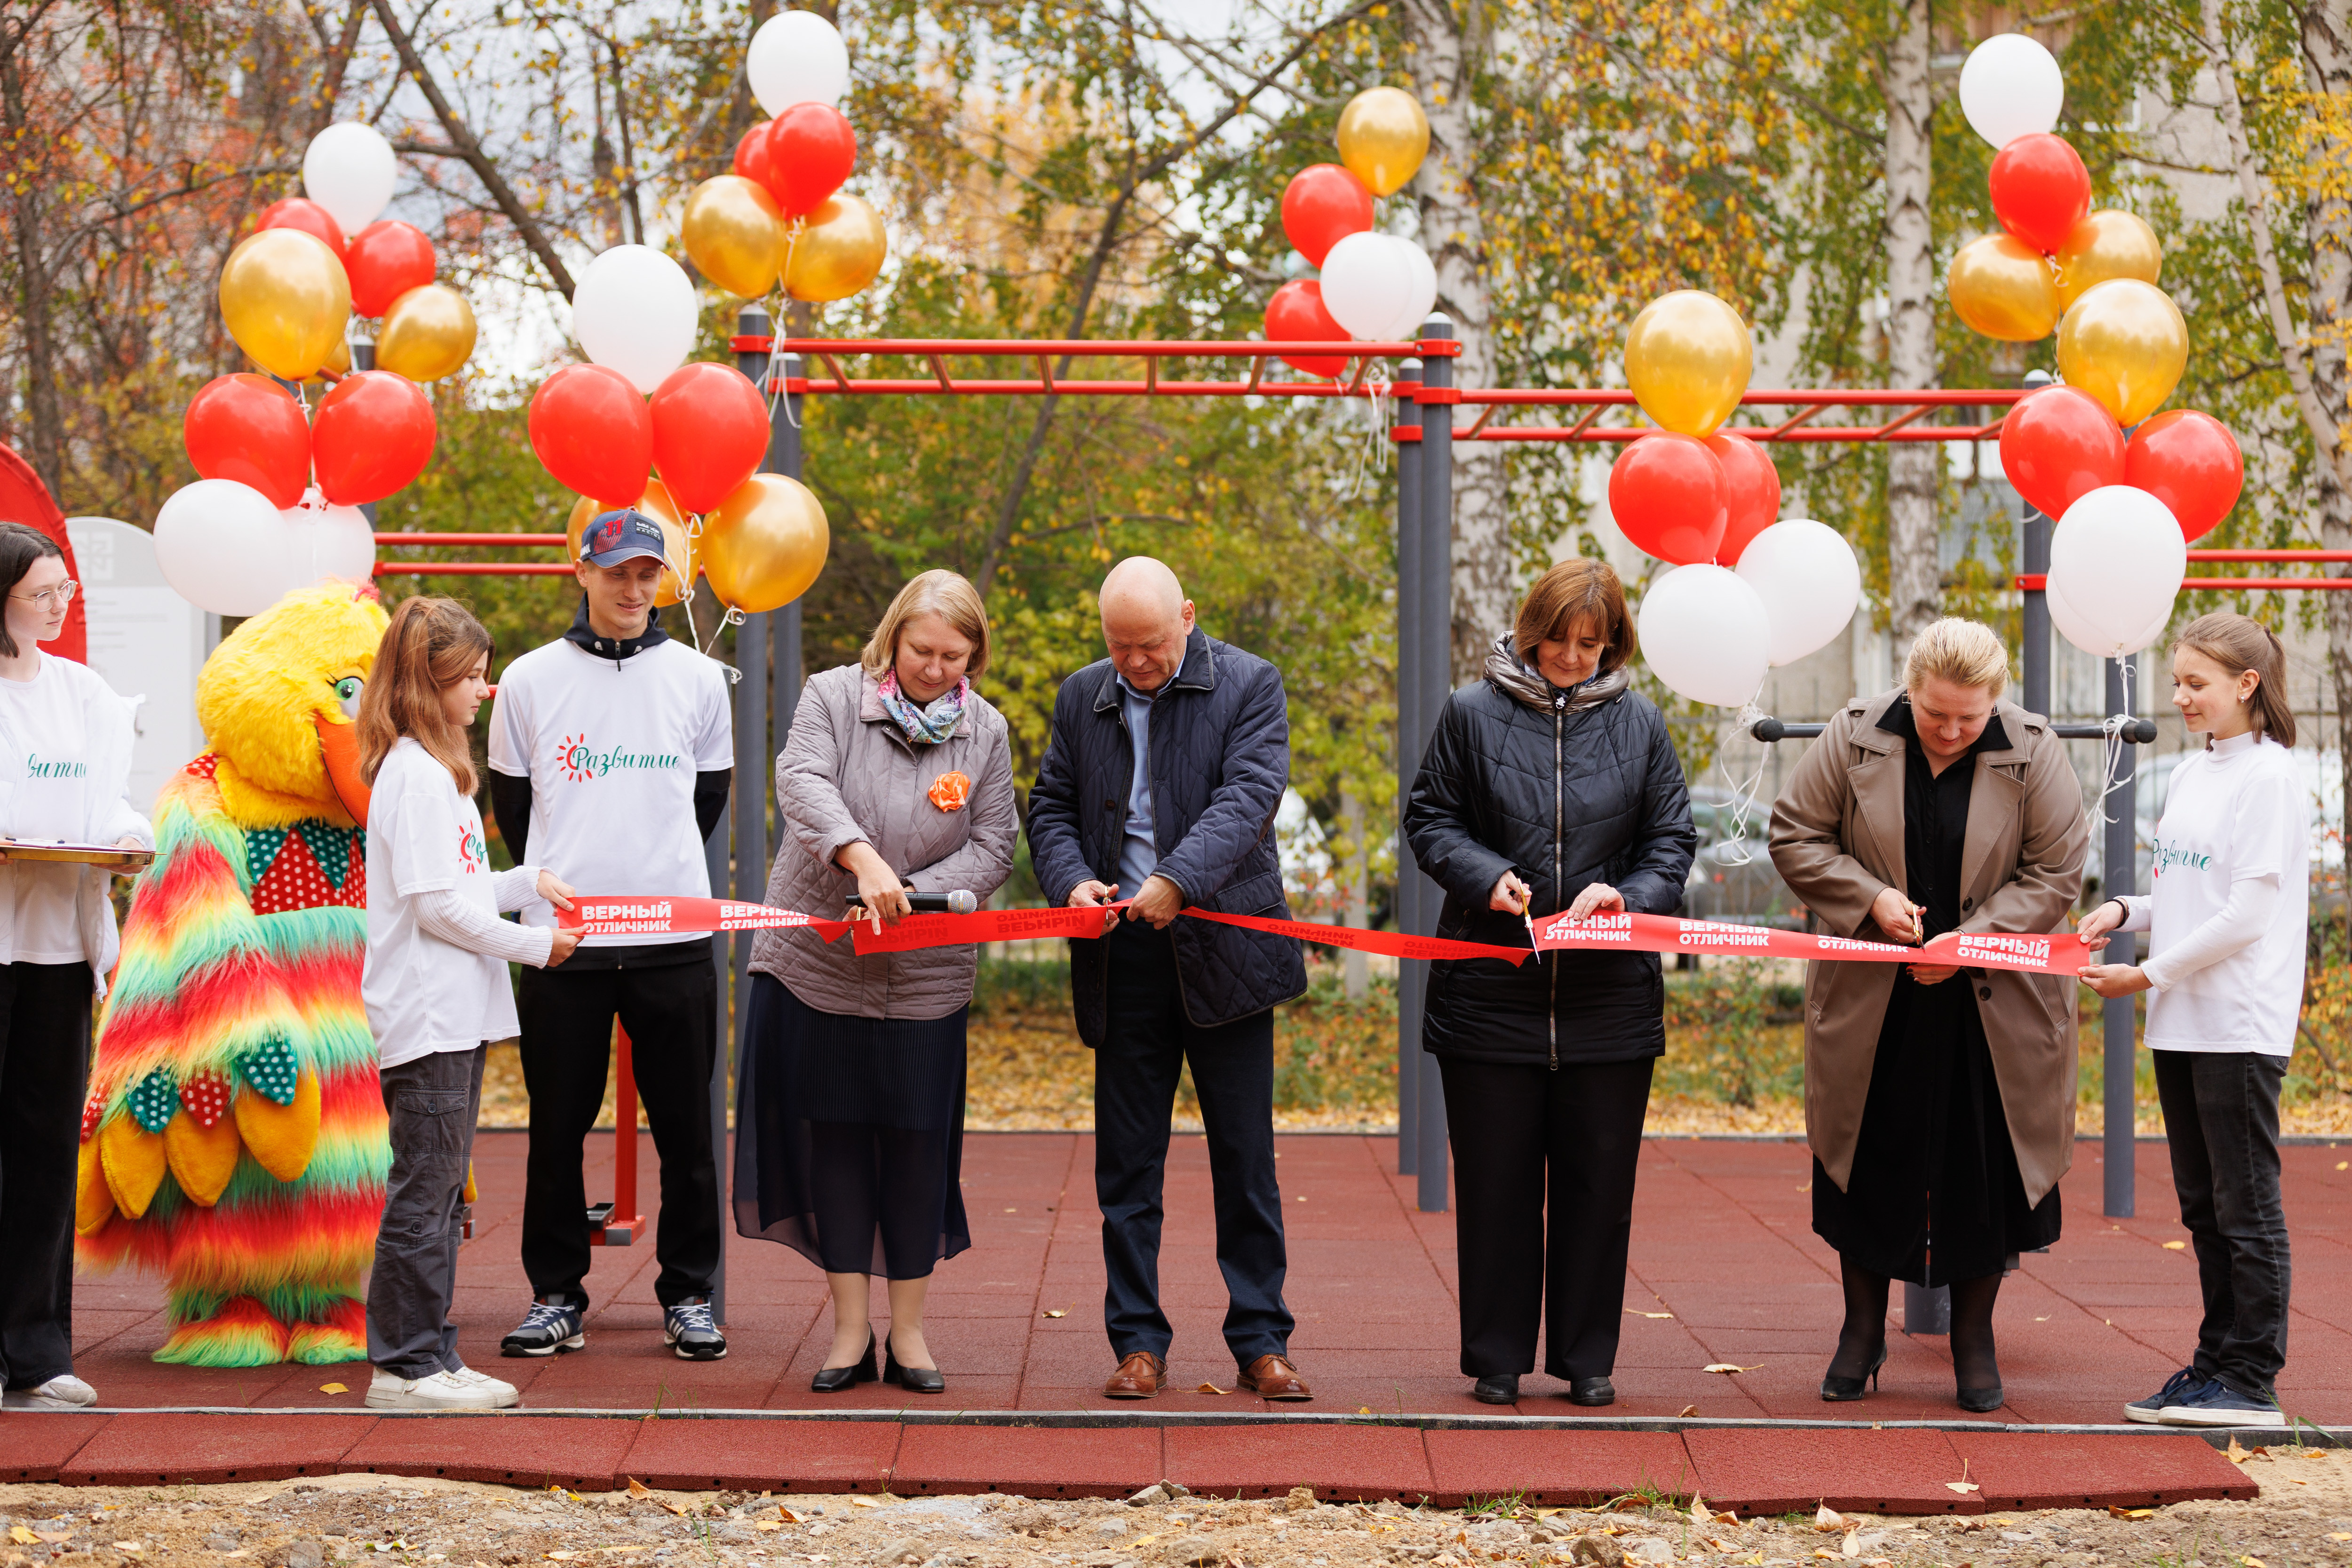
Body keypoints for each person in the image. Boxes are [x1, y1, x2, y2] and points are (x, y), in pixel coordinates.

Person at [1770, 618, 2087, 1413]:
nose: (1949, 730)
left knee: (1984, 1165)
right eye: (1934, 711)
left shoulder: (2034, 748)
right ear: (1908, 688)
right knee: (1865, 1156)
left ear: (1996, 700)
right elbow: (1794, 833)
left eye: (1968, 717)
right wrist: (1867, 897)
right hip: (1875, 995)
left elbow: (2056, 874)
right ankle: (1862, 1331)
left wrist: (1971, 942)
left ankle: (1974, 1340)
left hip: (1994, 1002)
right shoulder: (1852, 738)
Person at [1401, 558, 1695, 1408]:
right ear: (1531, 631)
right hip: (1490, 993)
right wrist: (1486, 876)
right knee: (1495, 1186)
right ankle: (1497, 1357)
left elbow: (1671, 839)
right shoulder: (1469, 713)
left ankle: (1585, 1357)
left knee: (1599, 1189)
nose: (1572, 657)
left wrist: (1628, 898)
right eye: (1559, 639)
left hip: (1609, 999)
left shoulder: (1640, 724)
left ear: (1614, 645)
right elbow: (1430, 817)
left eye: (1591, 644)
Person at [1026, 557, 1311, 1401]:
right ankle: (1138, 1342)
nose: (1135, 663)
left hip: (1224, 947)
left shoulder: (1251, 685)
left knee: (1244, 1159)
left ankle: (1261, 1338)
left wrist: (1176, 880)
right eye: (1119, 647)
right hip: (1123, 956)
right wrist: (1072, 876)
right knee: (1127, 1169)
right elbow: (1050, 805)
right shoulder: (1085, 694)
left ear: (1187, 615)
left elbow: (1249, 798)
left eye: (1149, 645)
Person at [736, 571, 1017, 1395]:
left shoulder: (987, 731)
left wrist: (916, 897)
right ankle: (850, 1331)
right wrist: (861, 860)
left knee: (918, 1147)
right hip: (821, 969)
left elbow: (996, 840)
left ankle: (912, 1334)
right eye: (921, 650)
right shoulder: (830, 696)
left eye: (952, 655)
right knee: (838, 1143)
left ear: (976, 654)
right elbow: (803, 783)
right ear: (893, 637)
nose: (934, 667)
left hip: (925, 972)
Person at [486, 509, 734, 1361]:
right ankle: (556, 1293)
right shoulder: (524, 680)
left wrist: (651, 882)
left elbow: (707, 801)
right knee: (555, 1128)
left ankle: (690, 1293)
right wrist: (568, 886)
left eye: (648, 574)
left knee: (688, 1134)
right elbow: (516, 812)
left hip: (673, 937)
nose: (634, 589)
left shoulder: (701, 679)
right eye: (618, 571)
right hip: (564, 944)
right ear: (582, 571)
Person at [2079, 613, 2308, 1428]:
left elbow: (2248, 914)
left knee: (2246, 1204)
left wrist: (2145, 972)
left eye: (2195, 683)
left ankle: (2252, 1378)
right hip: (2181, 1019)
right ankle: (2215, 1364)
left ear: (2247, 685)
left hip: (2236, 1022)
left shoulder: (2271, 778)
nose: (2179, 696)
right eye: (2176, 681)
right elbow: (2185, 895)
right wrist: (2122, 910)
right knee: (2204, 1205)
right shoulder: (2196, 772)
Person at [359, 597, 584, 1409]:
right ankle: (407, 1363)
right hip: (429, 1014)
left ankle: (425, 1353)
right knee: (426, 1190)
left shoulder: (435, 770)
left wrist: (524, 883)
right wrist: (535, 944)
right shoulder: (415, 774)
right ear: (431, 680)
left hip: (452, 1009)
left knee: (442, 1187)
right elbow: (434, 908)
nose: (483, 691)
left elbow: (456, 890)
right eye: (473, 677)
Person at [0, 522, 149, 1410]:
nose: (60, 606)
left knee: (48, 1147)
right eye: (41, 593)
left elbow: (113, 799)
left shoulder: (85, 694)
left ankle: (38, 1348)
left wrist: (131, 838)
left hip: (59, 946)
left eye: (65, 592)